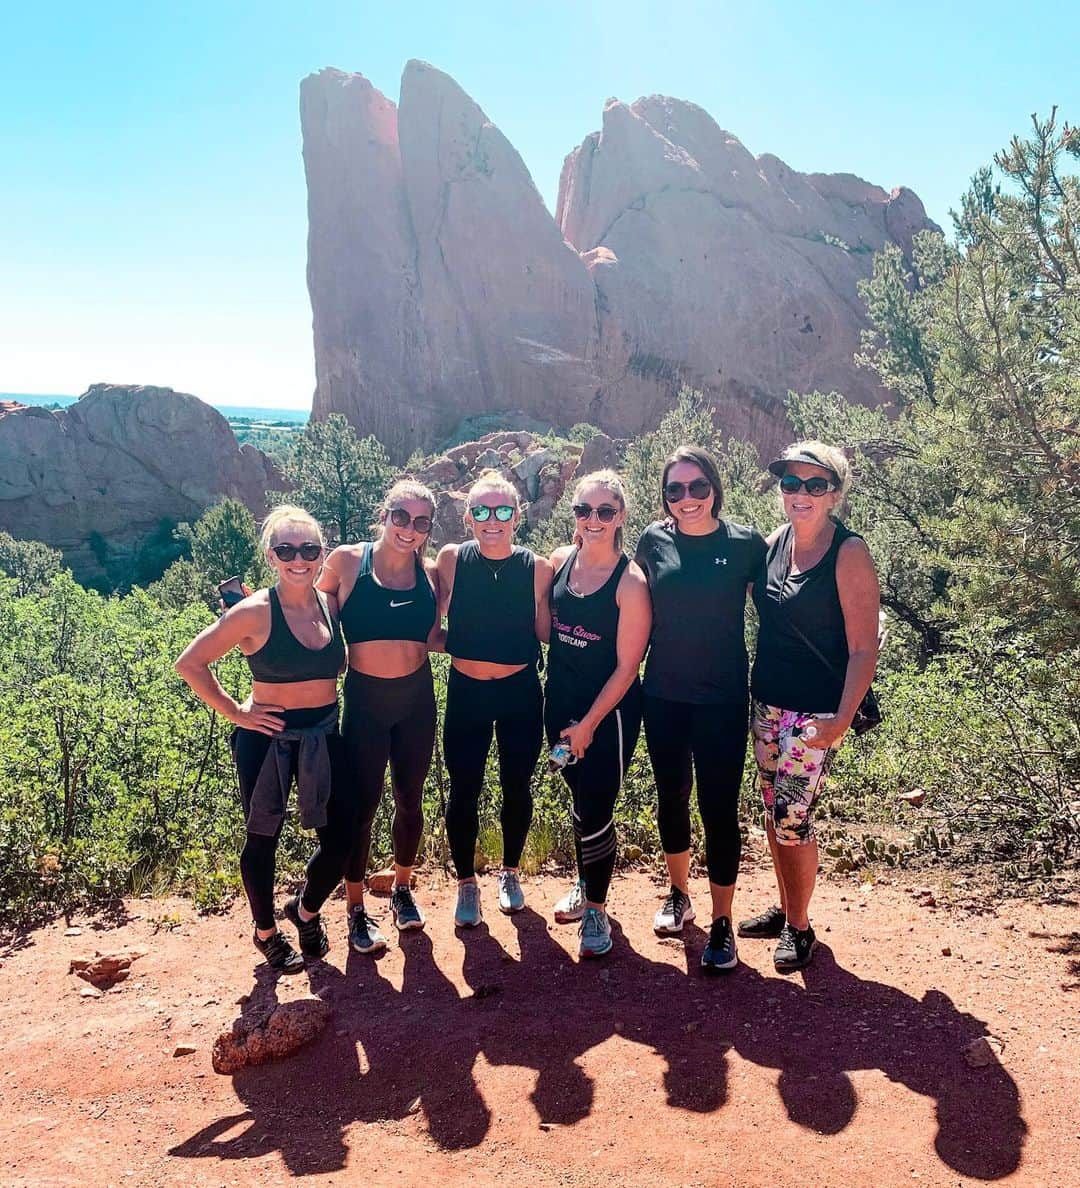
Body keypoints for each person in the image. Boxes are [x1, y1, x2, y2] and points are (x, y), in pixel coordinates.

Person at [175, 505, 347, 973]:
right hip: (266, 739)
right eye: (286, 549)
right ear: (270, 556)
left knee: (343, 839)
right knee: (262, 838)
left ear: (321, 553)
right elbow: (189, 662)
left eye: (309, 549)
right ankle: (265, 932)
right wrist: (236, 712)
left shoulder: (330, 605)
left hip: (325, 735)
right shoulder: (253, 612)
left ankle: (305, 911)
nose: (298, 558)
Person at [742, 441, 880, 972]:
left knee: (792, 818)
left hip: (813, 714)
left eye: (814, 485)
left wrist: (842, 719)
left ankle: (801, 928)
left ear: (834, 495)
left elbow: (864, 646)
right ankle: (786, 908)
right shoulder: (777, 543)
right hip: (768, 703)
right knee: (772, 810)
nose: (800, 494)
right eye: (791, 483)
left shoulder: (848, 554)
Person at [634, 446, 767, 973]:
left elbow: (780, 610)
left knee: (718, 809)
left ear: (714, 487)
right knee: (671, 798)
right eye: (674, 490)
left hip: (722, 700)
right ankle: (677, 893)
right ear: (664, 495)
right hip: (663, 696)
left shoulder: (744, 544)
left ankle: (722, 922)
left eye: (696, 488)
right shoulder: (652, 539)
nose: (686, 499)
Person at [318, 480, 441, 954]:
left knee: (411, 800)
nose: (409, 529)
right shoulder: (348, 562)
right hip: (366, 702)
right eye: (401, 517)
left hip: (416, 700)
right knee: (361, 806)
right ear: (384, 514)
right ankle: (354, 909)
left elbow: (438, 634)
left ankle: (403, 888)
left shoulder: (430, 575)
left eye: (421, 522)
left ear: (429, 528)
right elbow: (311, 605)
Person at [436, 470, 554, 926]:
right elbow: (429, 621)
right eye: (482, 511)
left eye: (502, 511)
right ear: (468, 518)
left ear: (517, 516)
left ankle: (509, 872)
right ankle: (467, 883)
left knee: (515, 786)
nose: (492, 520)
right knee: (464, 789)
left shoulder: (537, 567)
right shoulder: (451, 559)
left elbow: (546, 631)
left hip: (520, 692)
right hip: (466, 692)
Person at [547, 471, 651, 958]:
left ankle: (597, 909)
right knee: (577, 796)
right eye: (583, 511)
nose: (593, 520)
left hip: (607, 714)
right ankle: (586, 879)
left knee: (597, 803)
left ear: (620, 517)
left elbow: (629, 667)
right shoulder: (558, 563)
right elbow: (547, 632)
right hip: (560, 705)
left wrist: (588, 724)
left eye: (604, 512)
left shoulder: (629, 582)